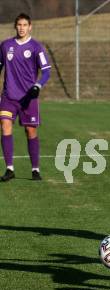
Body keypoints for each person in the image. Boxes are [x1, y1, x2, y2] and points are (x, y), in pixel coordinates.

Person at [0, 13, 51, 182]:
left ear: (30, 27)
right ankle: (9, 169)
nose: (21, 28)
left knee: (30, 131)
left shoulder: (36, 47)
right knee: (5, 125)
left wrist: (37, 86)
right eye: (19, 25)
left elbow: (46, 71)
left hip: (28, 98)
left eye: (24, 25)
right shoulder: (5, 45)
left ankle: (35, 169)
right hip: (8, 96)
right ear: (15, 26)